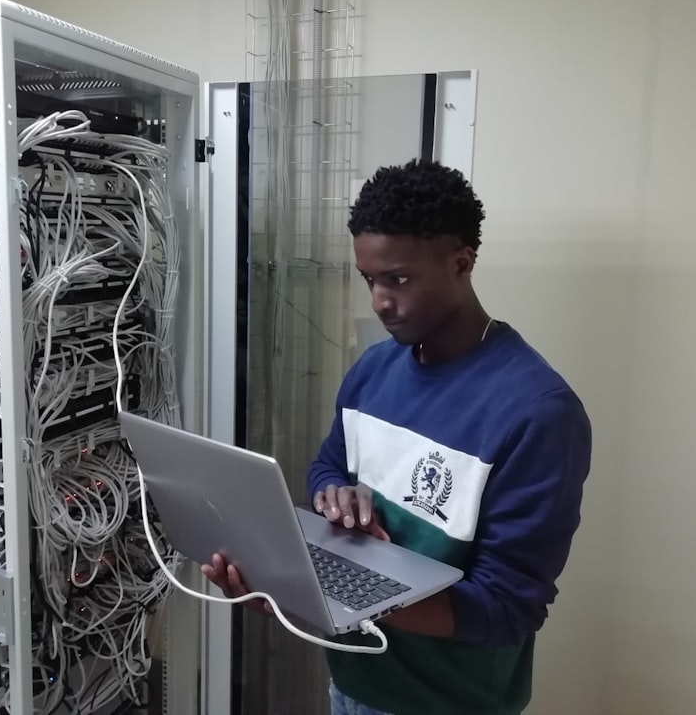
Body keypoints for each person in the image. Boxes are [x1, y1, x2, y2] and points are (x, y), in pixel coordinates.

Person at [202, 159, 591, 715]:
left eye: (399, 279)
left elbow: (508, 608)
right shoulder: (373, 369)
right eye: (369, 279)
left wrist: (325, 592)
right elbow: (329, 467)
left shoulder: (538, 413)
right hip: (353, 680)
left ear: (461, 262)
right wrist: (333, 496)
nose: (380, 301)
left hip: (449, 702)